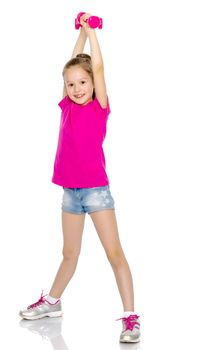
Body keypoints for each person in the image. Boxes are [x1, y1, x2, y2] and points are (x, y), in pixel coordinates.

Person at [19, 13, 140, 343]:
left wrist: (91, 31)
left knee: (114, 253)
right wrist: (80, 37)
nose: (76, 88)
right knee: (69, 253)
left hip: (97, 193)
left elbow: (96, 68)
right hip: (71, 193)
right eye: (71, 84)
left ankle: (131, 318)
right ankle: (53, 302)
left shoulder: (98, 106)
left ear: (93, 84)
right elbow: (71, 65)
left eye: (82, 83)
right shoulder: (67, 105)